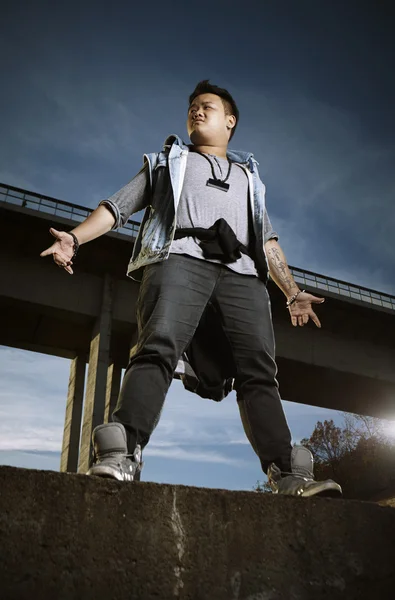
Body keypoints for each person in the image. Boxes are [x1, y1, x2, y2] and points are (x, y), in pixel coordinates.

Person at [41, 80, 342, 497]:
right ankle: (124, 451)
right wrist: (74, 238)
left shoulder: (249, 178)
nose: (196, 112)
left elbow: (267, 240)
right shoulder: (168, 161)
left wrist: (290, 290)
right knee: (157, 346)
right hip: (179, 259)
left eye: (208, 107)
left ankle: (286, 472)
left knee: (258, 369)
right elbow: (118, 206)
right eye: (192, 108)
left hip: (242, 275)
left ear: (230, 121)